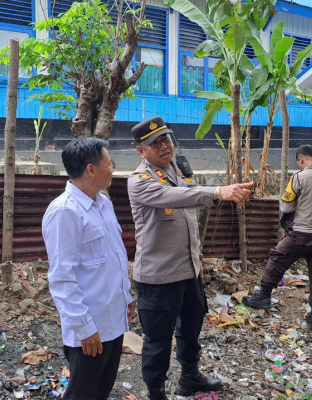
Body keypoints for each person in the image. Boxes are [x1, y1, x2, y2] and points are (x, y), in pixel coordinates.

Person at [127, 116, 254, 400]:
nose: (163, 146)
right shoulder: (140, 181)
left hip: (188, 272)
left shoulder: (178, 170)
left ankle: (189, 378)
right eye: (154, 143)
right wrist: (219, 191)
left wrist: (196, 266)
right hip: (159, 278)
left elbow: (187, 211)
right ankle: (156, 393)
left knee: (190, 330)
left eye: (166, 139)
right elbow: (173, 197)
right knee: (158, 342)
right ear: (141, 151)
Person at [42, 137, 135, 400]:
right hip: (90, 328)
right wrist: (83, 327)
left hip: (112, 319)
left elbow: (114, 255)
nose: (113, 169)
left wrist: (126, 295)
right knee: (83, 394)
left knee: (101, 390)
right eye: (109, 163)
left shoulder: (102, 203)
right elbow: (62, 277)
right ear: (91, 169)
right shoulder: (65, 212)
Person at [243, 144, 312, 332]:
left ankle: (264, 296)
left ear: (301, 160)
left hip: (302, 234)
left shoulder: (298, 177)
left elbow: (286, 207)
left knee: (277, 257)